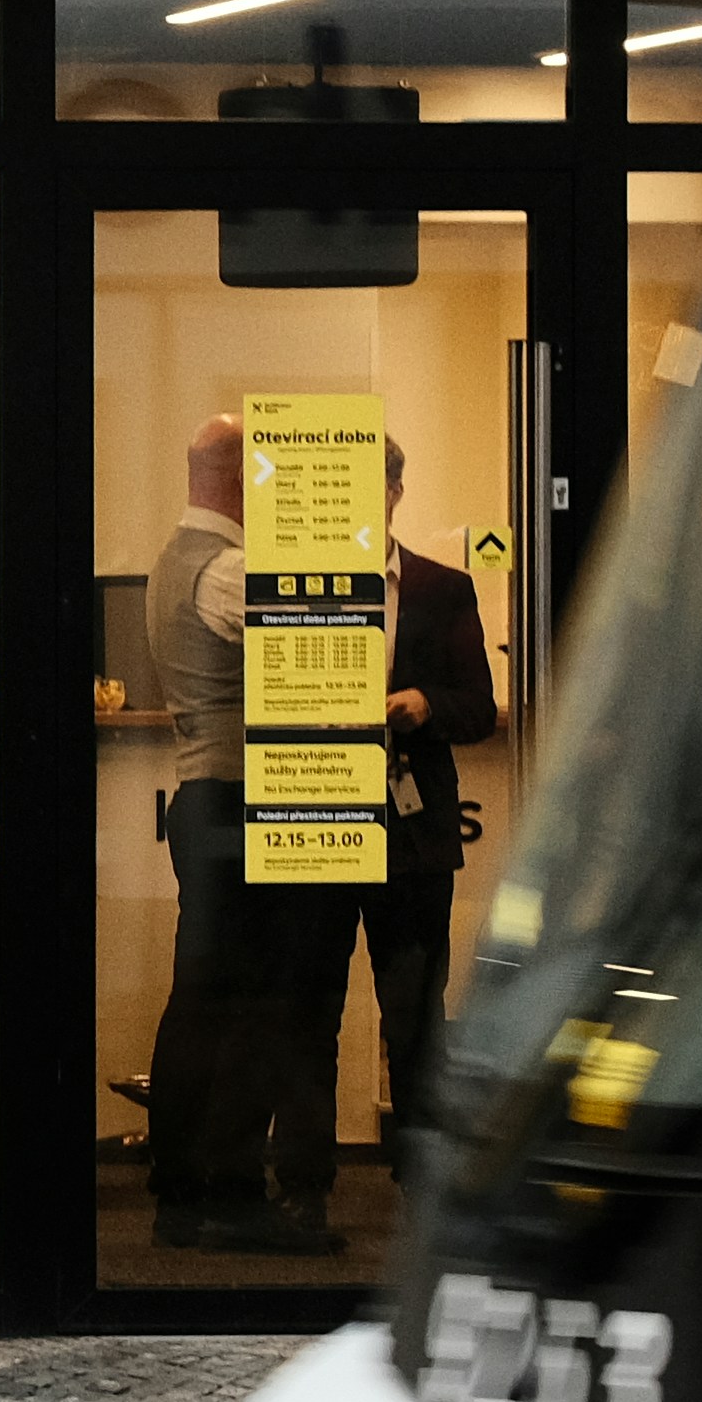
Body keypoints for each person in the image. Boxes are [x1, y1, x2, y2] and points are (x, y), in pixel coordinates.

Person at [135, 415, 342, 1257]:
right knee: (254, 1002)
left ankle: (183, 1185)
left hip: (202, 796)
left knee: (203, 999)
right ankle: (221, 1190)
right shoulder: (230, 570)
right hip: (243, 799)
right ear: (240, 481)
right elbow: (322, 652)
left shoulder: (166, 566)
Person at [356, 441, 504, 1150]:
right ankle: (303, 1183)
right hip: (314, 812)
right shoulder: (293, 586)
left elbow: (479, 705)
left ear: (396, 491)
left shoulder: (442, 587)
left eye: (370, 483)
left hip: (414, 828)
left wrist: (424, 704)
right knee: (310, 998)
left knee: (414, 1003)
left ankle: (420, 1165)